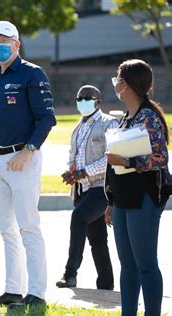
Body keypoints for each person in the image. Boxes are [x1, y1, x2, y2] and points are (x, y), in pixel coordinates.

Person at [0, 21, 56, 307]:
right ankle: (12, 289)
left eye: (5, 41)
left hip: (23, 160)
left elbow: (46, 118)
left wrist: (29, 150)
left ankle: (37, 292)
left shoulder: (32, 74)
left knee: (28, 226)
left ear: (17, 44)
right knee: (6, 228)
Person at [105, 59, 168, 315]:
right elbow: (113, 165)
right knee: (127, 265)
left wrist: (127, 161)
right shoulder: (124, 120)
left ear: (129, 84)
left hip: (144, 196)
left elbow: (160, 158)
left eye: (119, 78)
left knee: (146, 265)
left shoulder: (149, 117)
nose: (116, 83)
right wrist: (110, 202)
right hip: (122, 198)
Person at [56, 85, 116, 290]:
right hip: (82, 190)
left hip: (101, 188)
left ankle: (70, 273)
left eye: (87, 98)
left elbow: (110, 159)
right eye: (79, 98)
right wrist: (70, 172)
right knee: (98, 239)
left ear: (98, 101)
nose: (82, 102)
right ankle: (106, 284)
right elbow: (73, 157)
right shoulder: (77, 128)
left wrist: (83, 172)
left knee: (78, 218)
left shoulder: (109, 123)